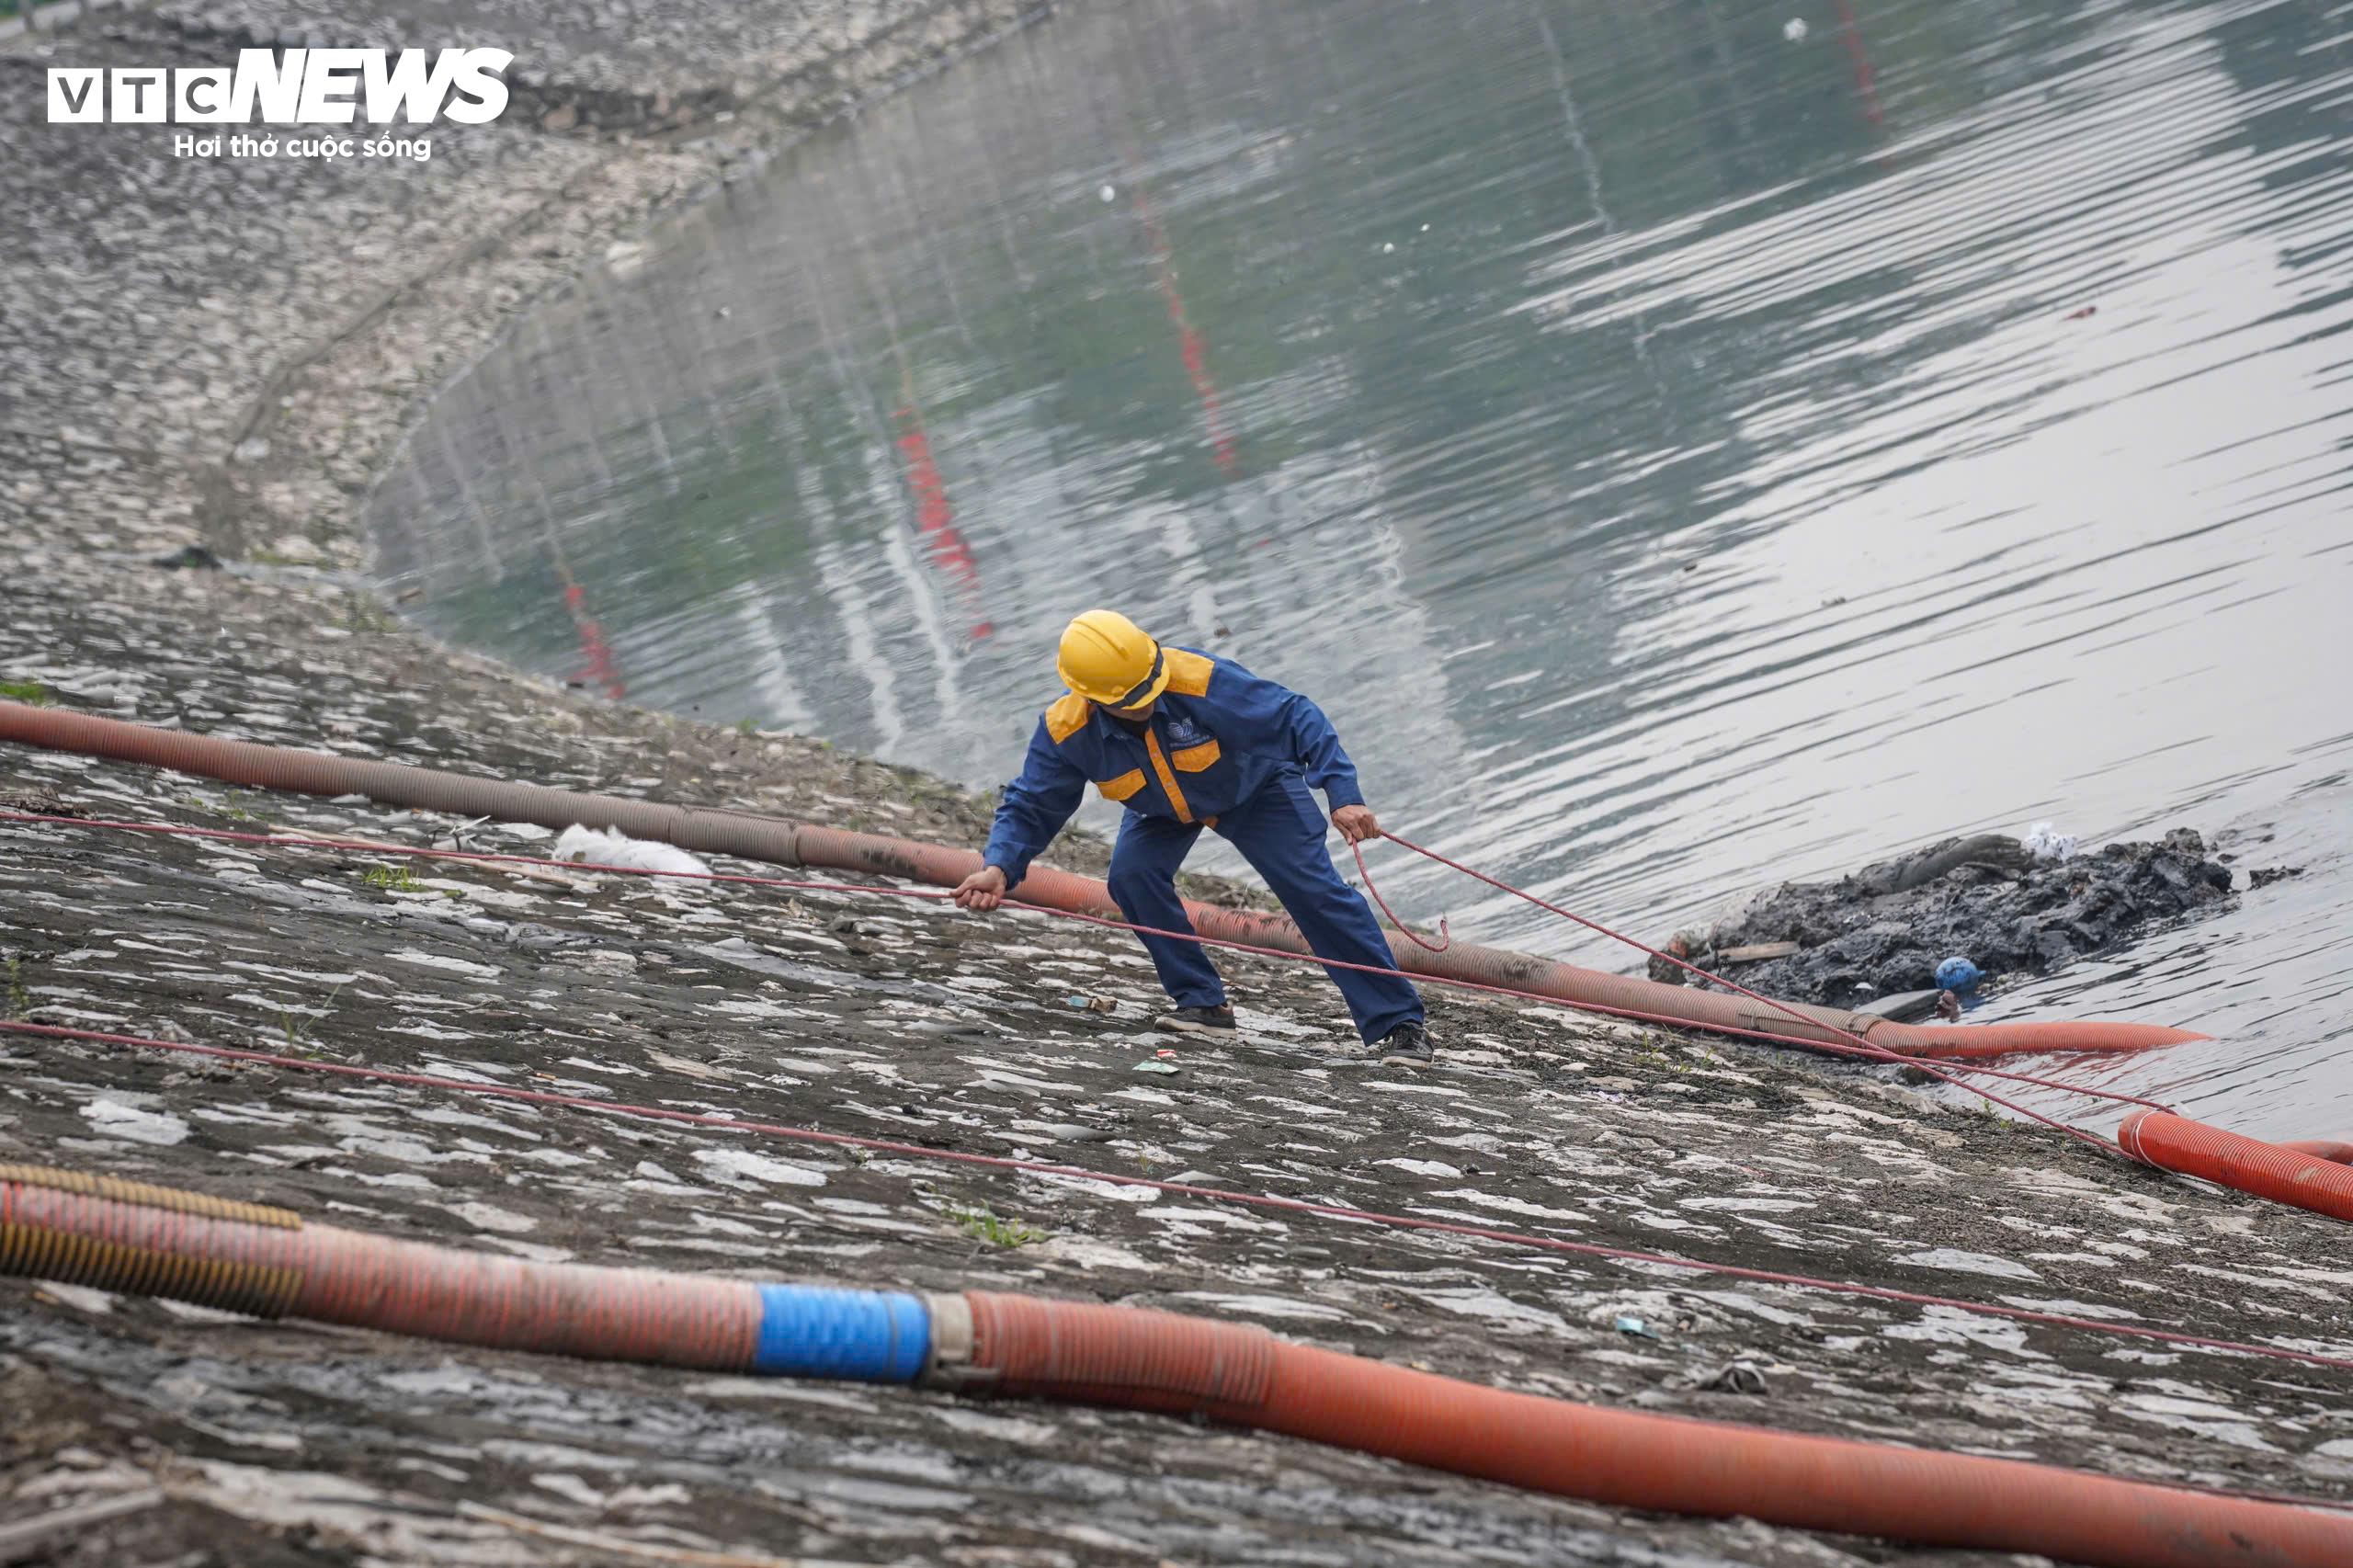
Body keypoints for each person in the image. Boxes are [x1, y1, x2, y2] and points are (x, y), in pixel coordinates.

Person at [953, 610, 1432, 1064]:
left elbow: (1296, 716)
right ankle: (1203, 1005)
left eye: (1149, 688)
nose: (1143, 702)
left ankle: (1398, 1023)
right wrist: (1000, 866)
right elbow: (1032, 803)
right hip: (1158, 808)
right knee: (1132, 878)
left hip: (1256, 789)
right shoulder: (1065, 730)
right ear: (1092, 697)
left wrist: (1342, 793)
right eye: (1128, 700)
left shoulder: (1200, 678)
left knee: (1313, 891)